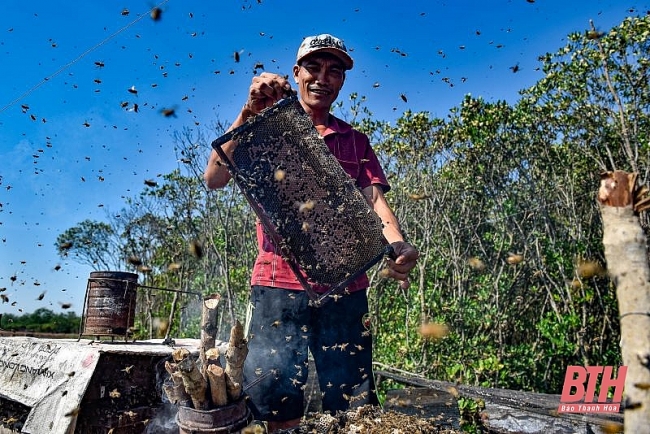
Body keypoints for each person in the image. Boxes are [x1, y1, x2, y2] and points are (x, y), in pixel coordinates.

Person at [204, 33, 419, 433]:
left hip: (346, 285)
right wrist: (249, 111)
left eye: (334, 71)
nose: (323, 78)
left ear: (342, 82)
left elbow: (375, 202)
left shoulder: (354, 141)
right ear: (296, 73)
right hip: (278, 282)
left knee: (351, 400)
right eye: (314, 68)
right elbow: (215, 177)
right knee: (277, 396)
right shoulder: (268, 123)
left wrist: (398, 246)